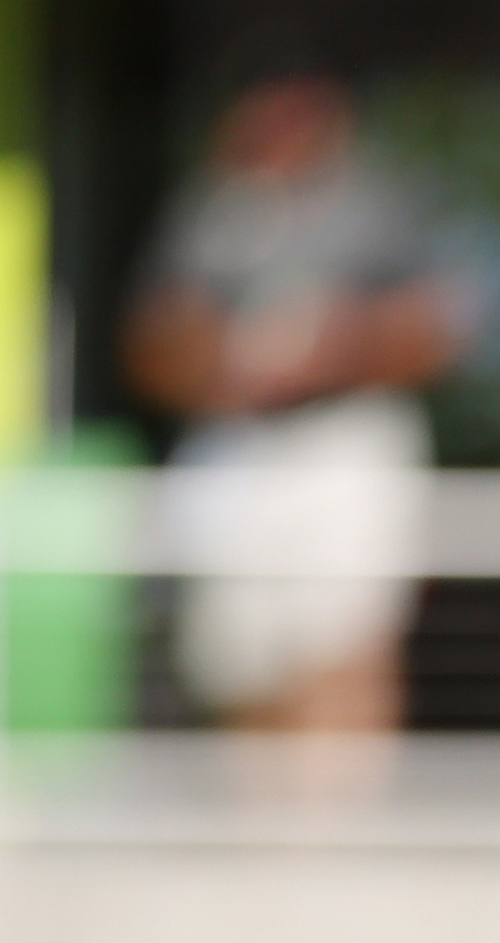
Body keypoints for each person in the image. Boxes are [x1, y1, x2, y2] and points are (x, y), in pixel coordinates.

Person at [126, 73, 468, 744]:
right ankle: (259, 842)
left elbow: (441, 327)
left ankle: (336, 841)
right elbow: (149, 341)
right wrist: (221, 361)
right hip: (237, 450)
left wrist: (338, 345)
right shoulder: (211, 211)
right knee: (241, 666)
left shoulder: (379, 202)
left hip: (345, 447)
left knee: (343, 649)